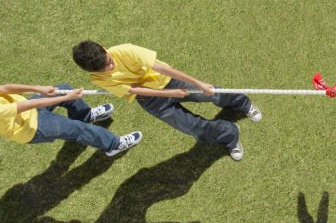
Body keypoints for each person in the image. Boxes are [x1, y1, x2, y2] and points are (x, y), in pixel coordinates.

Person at [71, 41, 261, 160]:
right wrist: (172, 95)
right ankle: (230, 134)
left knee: (213, 93)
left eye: (109, 61)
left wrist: (197, 83)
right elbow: (133, 90)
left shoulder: (126, 50)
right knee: (195, 129)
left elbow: (162, 68)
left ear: (104, 49)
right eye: (103, 69)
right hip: (150, 100)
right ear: (92, 71)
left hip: (169, 81)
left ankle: (243, 104)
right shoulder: (98, 79)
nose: (109, 67)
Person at [0, 81, 141, 157]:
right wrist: (67, 97)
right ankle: (114, 145)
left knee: (63, 88)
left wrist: (38, 89)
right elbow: (29, 104)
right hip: (30, 128)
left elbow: (5, 88)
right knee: (77, 129)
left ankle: (85, 116)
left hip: (30, 110)